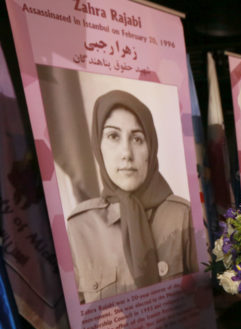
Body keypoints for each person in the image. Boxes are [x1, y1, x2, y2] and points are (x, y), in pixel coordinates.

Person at [67, 90, 198, 304]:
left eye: (137, 139)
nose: (126, 153)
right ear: (97, 147)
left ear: (151, 147)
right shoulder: (79, 227)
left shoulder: (182, 215)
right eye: (113, 136)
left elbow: (204, 300)